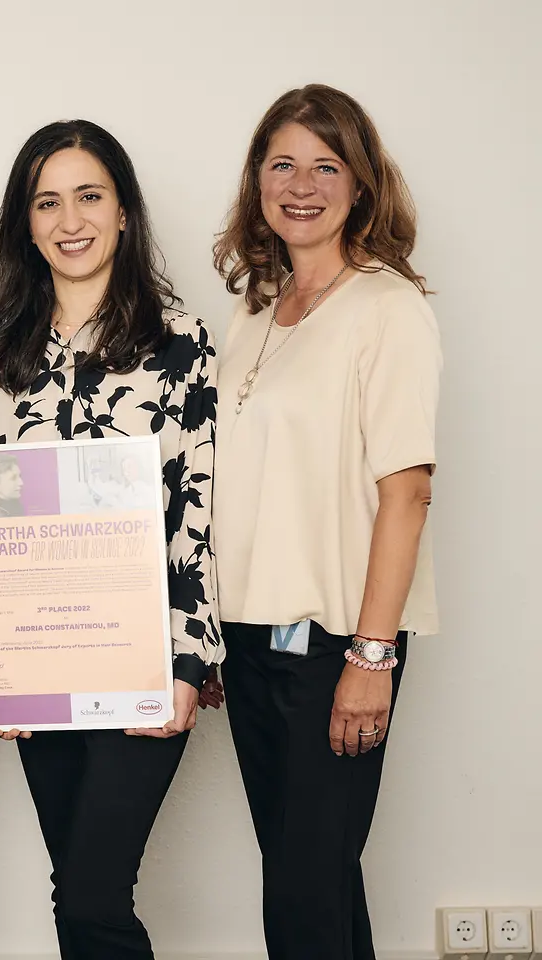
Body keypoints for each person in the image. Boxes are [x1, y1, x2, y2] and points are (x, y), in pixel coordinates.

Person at [0, 120, 224, 960]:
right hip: (36, 652)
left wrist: (189, 663)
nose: (70, 220)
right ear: (25, 224)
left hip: (143, 651)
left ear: (124, 211)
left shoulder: (181, 341)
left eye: (89, 196)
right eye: (47, 202)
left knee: (95, 891)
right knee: (74, 883)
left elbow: (199, 504)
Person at [211, 84, 441, 960]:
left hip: (336, 644)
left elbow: (407, 493)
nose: (301, 186)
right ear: (257, 181)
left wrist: (371, 659)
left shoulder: (388, 307)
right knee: (316, 883)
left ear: (361, 184)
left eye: (326, 166)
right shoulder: (254, 309)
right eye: (282, 165)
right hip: (250, 641)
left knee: (303, 899)